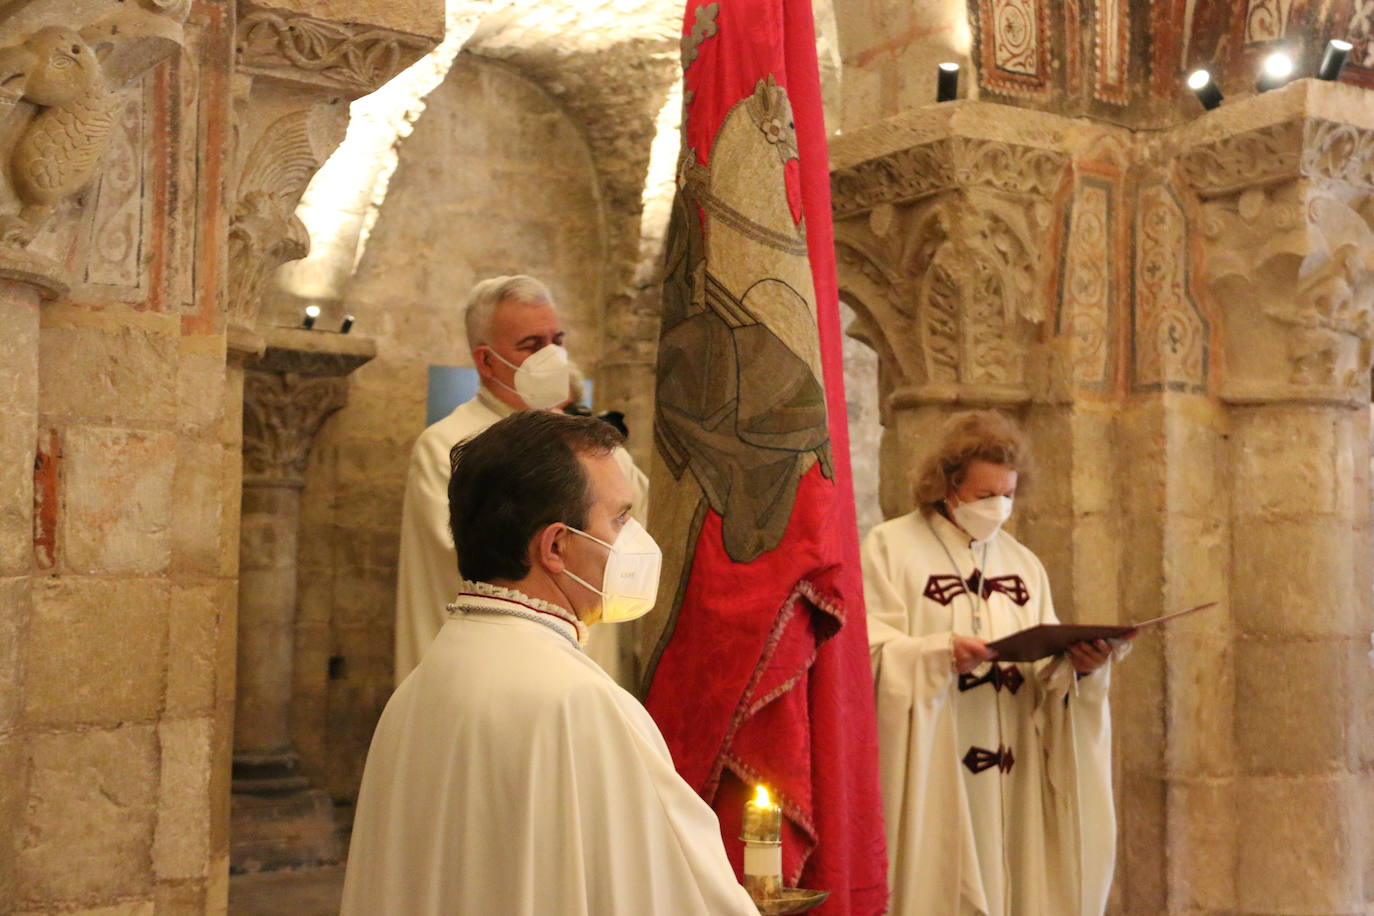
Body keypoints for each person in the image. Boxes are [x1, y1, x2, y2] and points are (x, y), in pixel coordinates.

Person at [342, 411, 757, 916]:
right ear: (557, 545)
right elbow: (678, 893)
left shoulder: (415, 692)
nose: (635, 538)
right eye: (621, 517)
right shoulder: (580, 705)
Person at [862, 410, 1127, 916]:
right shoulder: (889, 548)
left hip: (1017, 767)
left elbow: (1046, 672)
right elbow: (865, 653)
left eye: (1007, 494)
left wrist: (1082, 667)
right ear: (948, 484)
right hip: (939, 757)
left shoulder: (1023, 564)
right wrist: (939, 654)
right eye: (985, 495)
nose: (998, 507)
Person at [394, 275, 648, 685]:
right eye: (531, 346)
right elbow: (486, 559)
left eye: (557, 341)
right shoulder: (446, 446)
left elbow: (639, 527)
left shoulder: (590, 443)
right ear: (486, 361)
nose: (551, 357)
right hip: (487, 675)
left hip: (585, 671)